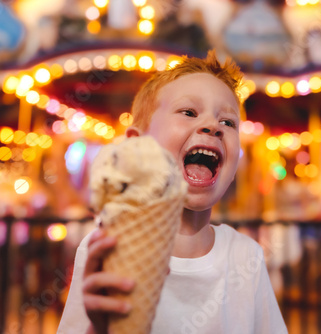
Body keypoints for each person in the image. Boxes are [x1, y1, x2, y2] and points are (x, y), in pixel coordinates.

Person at [58, 51, 288, 334]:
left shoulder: (246, 257)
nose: (213, 126)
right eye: (189, 112)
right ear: (137, 145)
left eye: (228, 122)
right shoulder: (103, 247)